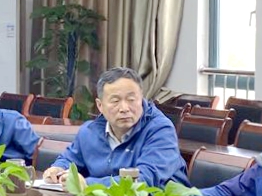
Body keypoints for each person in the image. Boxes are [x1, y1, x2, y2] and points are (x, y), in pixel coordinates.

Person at [43, 66, 189, 188]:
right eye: (115, 101)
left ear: (141, 99)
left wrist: (88, 185)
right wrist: (58, 169)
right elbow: (69, 158)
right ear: (100, 105)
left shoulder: (160, 130)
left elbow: (143, 180)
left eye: (131, 99)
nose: (124, 108)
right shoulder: (90, 131)